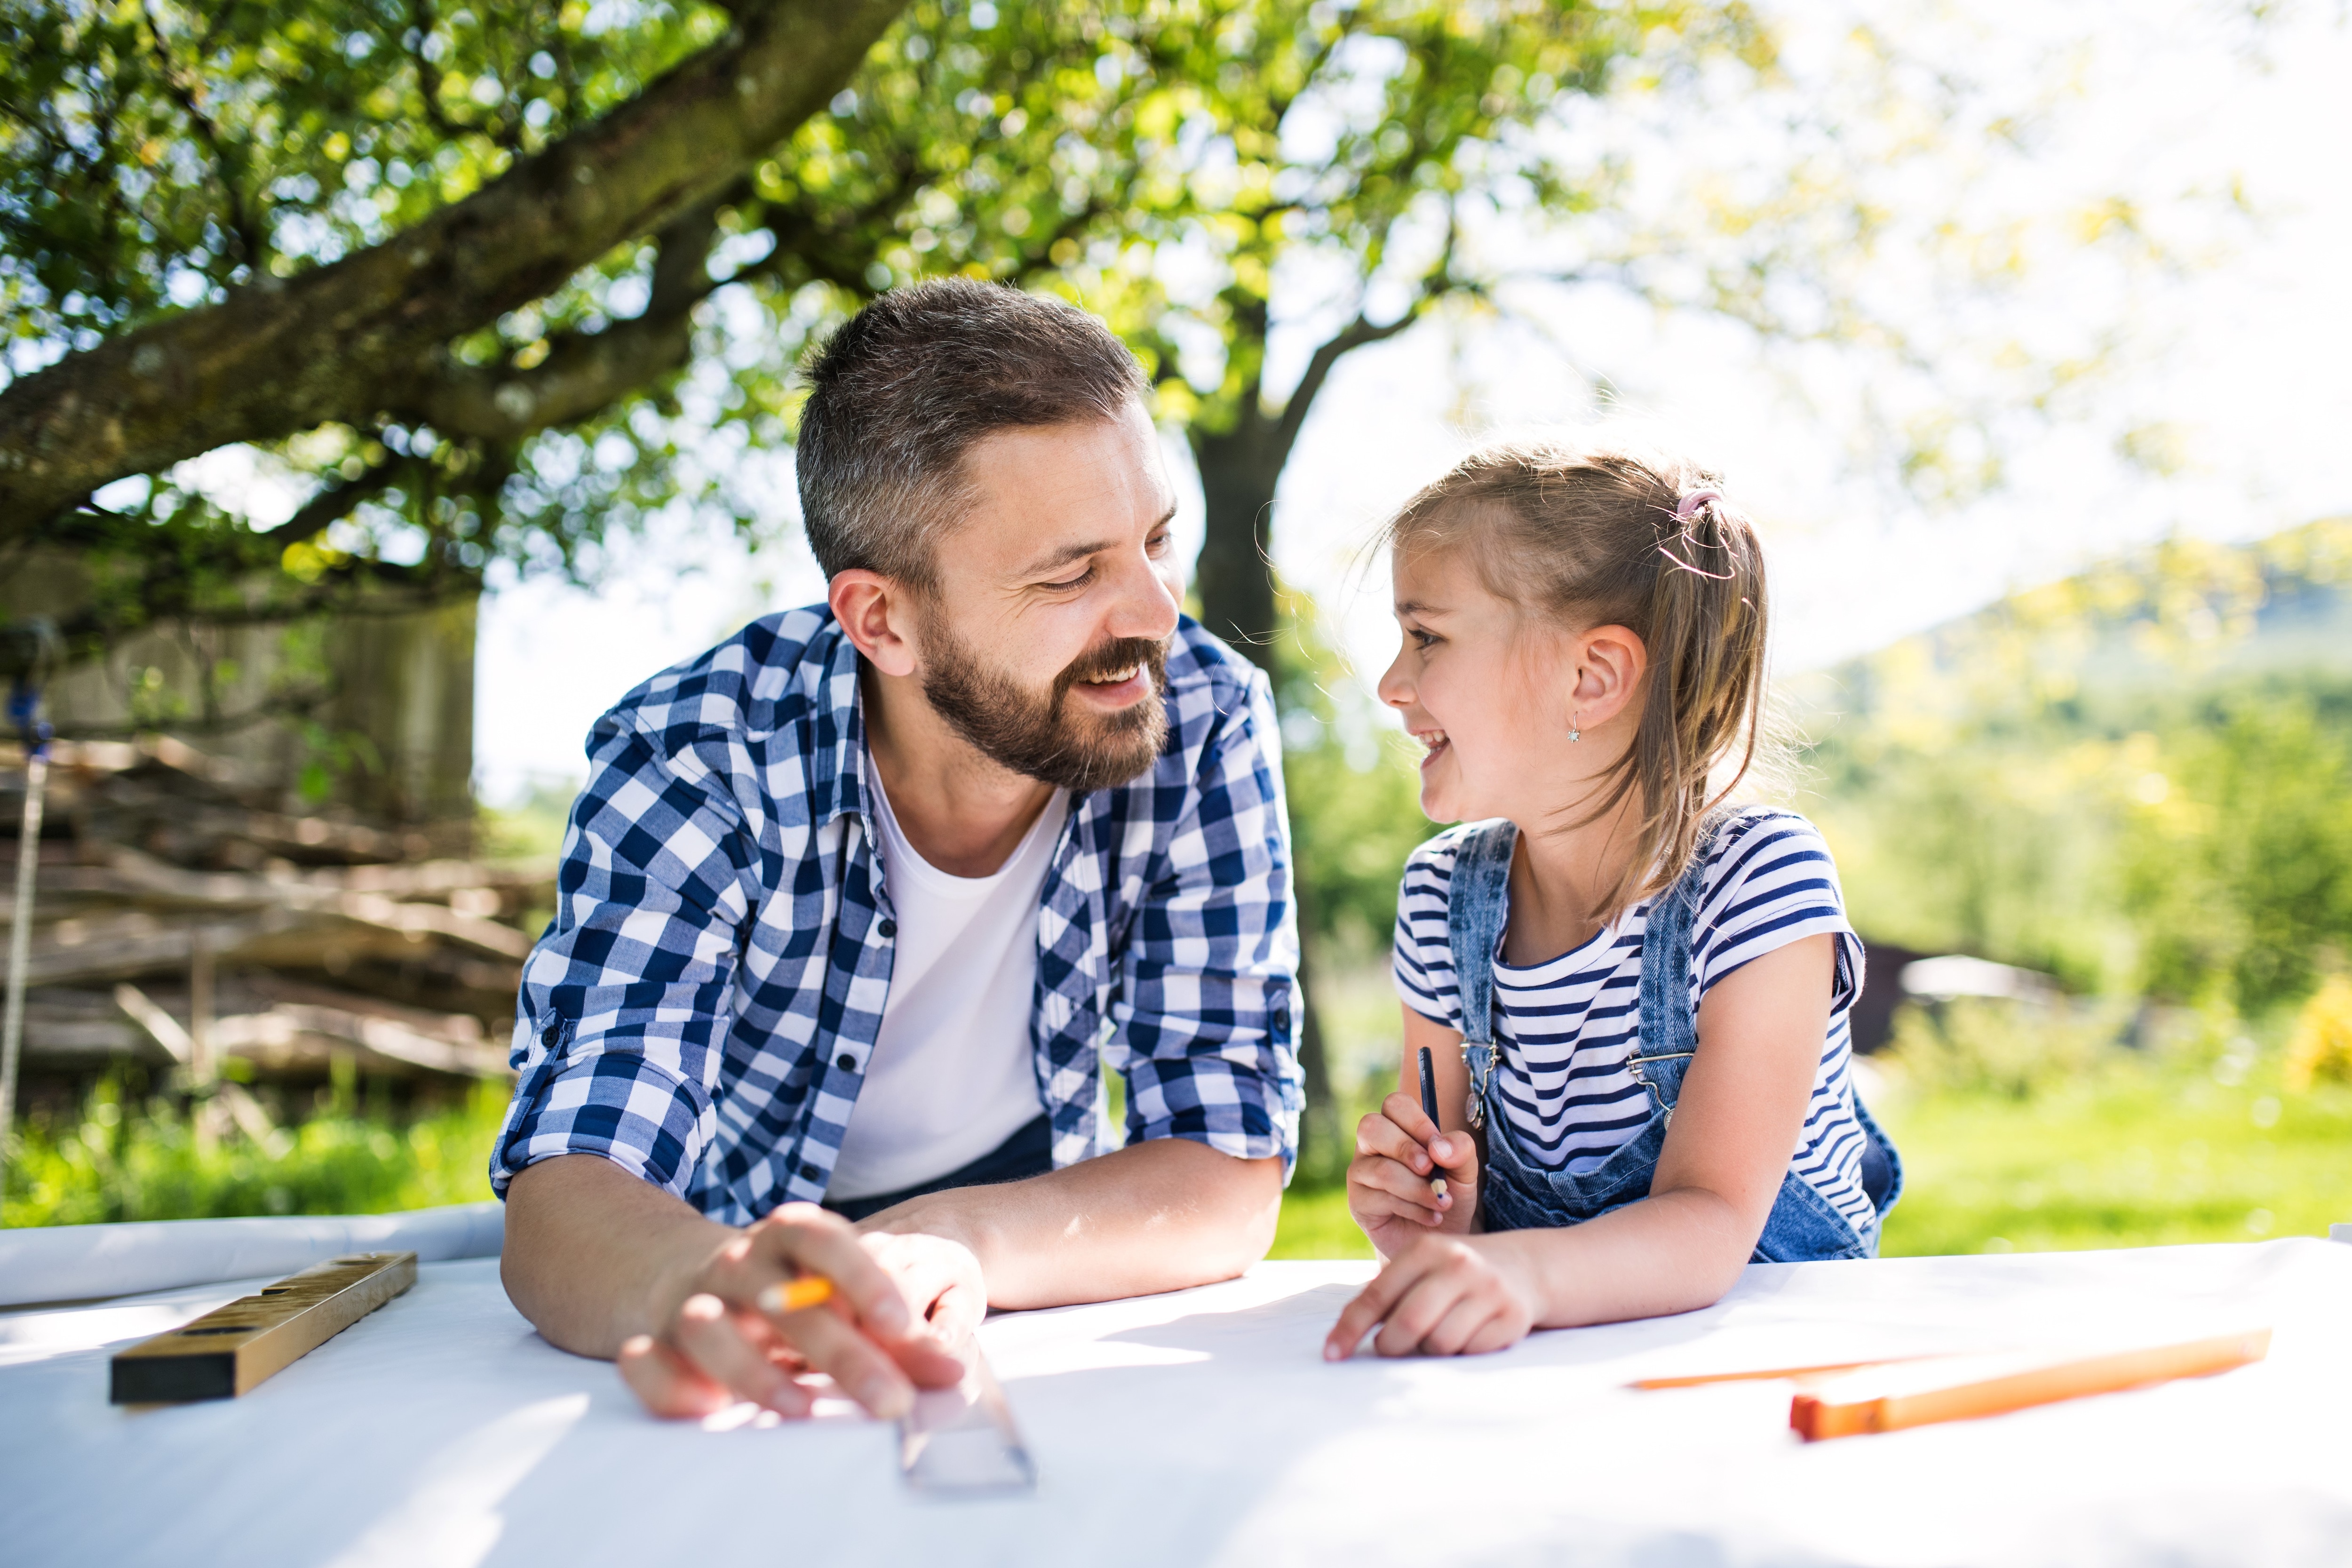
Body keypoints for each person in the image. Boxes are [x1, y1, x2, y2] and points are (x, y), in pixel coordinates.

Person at [494, 279, 1301, 1418]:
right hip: (738, 1224)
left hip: (1030, 1236)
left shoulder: (1199, 713)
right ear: (882, 621)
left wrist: (948, 1238)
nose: (1159, 612)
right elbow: (570, 1186)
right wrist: (705, 1280)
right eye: (1072, 573)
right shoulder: (695, 754)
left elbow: (1226, 1170)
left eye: (1158, 539)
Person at [1323, 434, 1900, 1361]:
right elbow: (1454, 1211)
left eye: (1426, 635)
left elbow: (1711, 1217)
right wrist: (1439, 1219)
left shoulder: (1756, 883)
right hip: (1555, 1370)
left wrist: (1527, 1273)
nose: (1391, 684)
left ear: (1590, 679)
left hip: (1758, 1359)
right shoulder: (1441, 899)